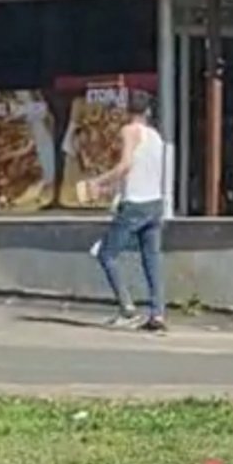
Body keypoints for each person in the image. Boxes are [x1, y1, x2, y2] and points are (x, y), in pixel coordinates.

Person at [90, 90, 166, 332]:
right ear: (149, 111)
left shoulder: (129, 131)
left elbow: (125, 165)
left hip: (135, 203)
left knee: (106, 254)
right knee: (152, 259)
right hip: (155, 203)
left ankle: (127, 309)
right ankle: (158, 313)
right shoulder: (156, 137)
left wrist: (99, 182)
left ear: (127, 111)